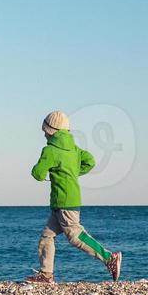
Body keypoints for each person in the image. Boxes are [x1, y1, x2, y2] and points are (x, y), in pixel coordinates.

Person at [26, 110, 122, 283]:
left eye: (44, 131)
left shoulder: (50, 150)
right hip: (65, 201)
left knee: (75, 235)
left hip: (64, 201)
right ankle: (46, 275)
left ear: (50, 130)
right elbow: (90, 161)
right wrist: (73, 171)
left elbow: (38, 174)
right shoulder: (74, 149)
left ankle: (109, 258)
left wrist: (45, 170)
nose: (44, 135)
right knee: (47, 236)